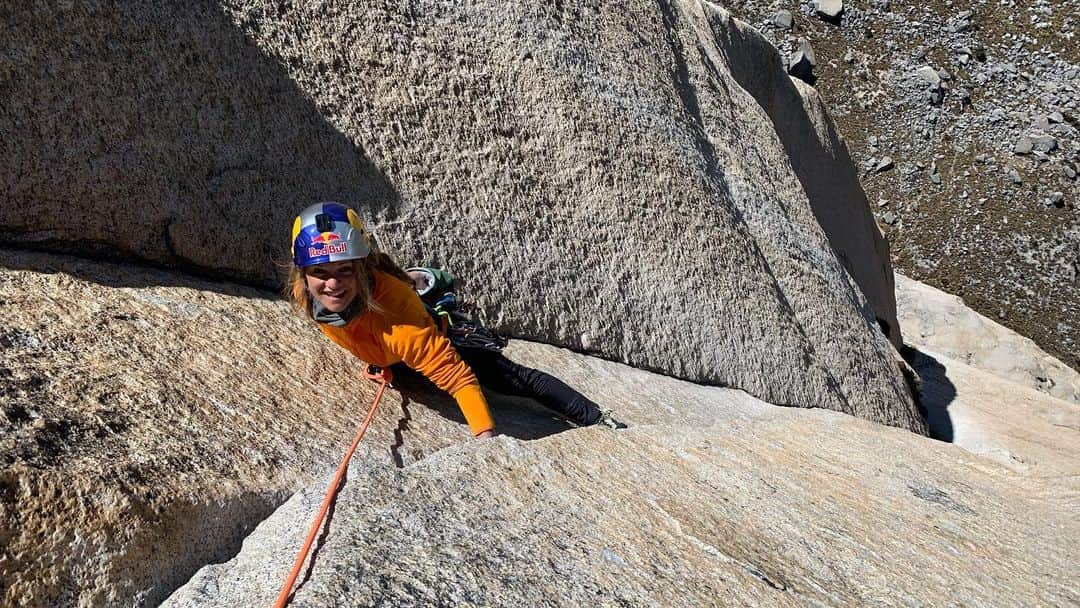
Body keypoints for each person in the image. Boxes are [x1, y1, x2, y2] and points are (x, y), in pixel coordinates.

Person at [285, 201, 623, 439]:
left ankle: (595, 417)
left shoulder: (396, 322)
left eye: (345, 270)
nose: (332, 284)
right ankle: (419, 282)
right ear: (302, 273)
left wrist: (486, 440)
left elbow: (460, 381)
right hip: (397, 353)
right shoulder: (306, 294)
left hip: (441, 337)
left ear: (361, 269)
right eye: (320, 272)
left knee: (513, 379)